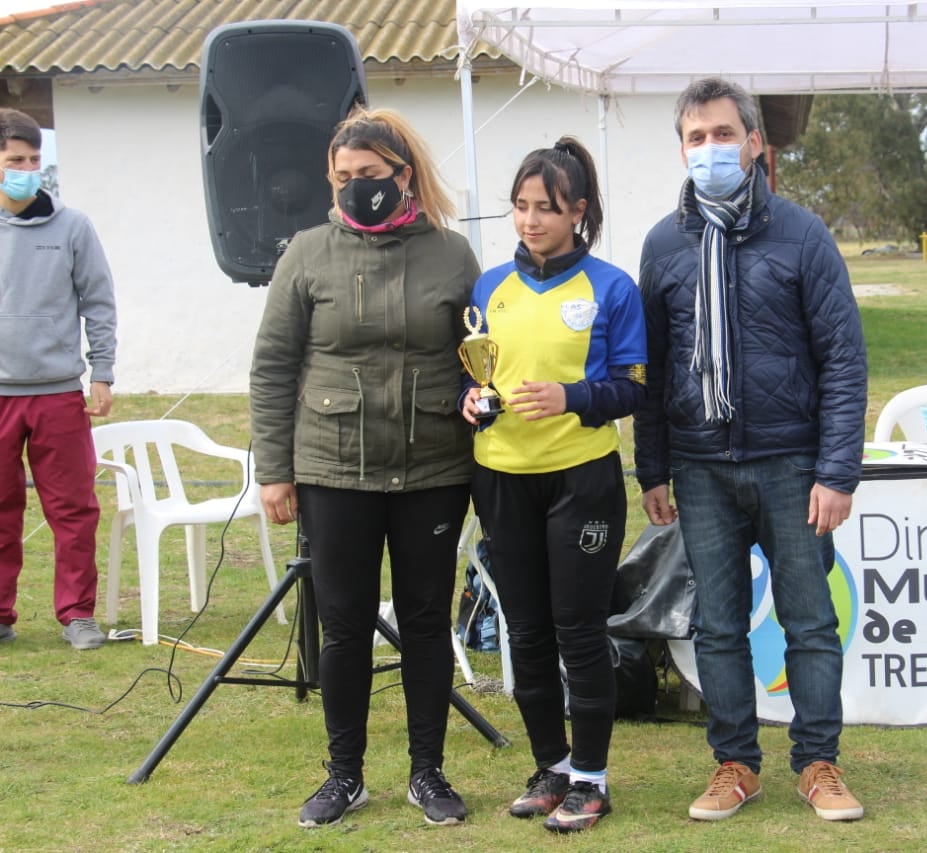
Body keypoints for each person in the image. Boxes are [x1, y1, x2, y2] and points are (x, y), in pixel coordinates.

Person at [633, 78, 868, 822]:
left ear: (756, 142)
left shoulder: (802, 235)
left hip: (792, 463)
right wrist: (652, 467)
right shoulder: (664, 243)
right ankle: (735, 763)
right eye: (697, 138)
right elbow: (655, 368)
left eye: (724, 134)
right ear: (681, 148)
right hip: (700, 467)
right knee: (718, 625)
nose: (711, 150)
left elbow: (842, 358)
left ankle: (819, 763)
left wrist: (836, 470)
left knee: (809, 620)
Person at [250, 107, 480, 829]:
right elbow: (273, 365)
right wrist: (274, 469)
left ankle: (428, 772)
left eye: (370, 176)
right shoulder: (307, 254)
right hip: (332, 470)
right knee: (344, 626)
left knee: (424, 622)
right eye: (343, 177)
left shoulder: (452, 253)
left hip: (433, 469)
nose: (356, 188)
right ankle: (343, 774)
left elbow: (480, 356)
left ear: (403, 176)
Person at [463, 136, 646, 833]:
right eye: (519, 206)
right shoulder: (488, 288)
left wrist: (572, 397)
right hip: (503, 479)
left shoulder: (611, 286)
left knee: (578, 630)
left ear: (579, 212)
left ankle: (593, 778)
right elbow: (472, 375)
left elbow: (632, 387)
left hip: (582, 481)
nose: (530, 219)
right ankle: (551, 766)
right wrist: (470, 402)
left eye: (546, 207)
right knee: (528, 633)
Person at [0, 107, 116, 651]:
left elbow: (98, 301)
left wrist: (103, 372)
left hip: (58, 394)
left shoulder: (73, 227)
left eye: (32, 159)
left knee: (73, 510)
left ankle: (77, 615)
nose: (25, 168)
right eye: (13, 160)